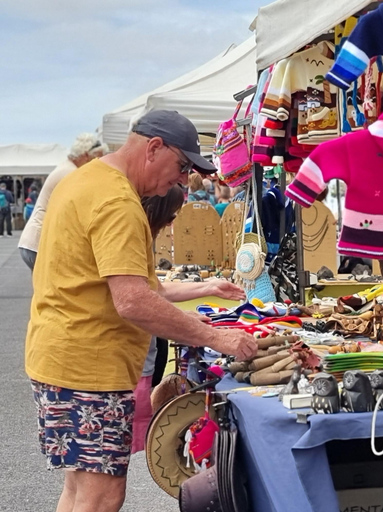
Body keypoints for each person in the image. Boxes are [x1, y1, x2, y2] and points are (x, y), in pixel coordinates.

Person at [25, 110, 258, 512]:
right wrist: (217, 337)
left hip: (59, 358)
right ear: (154, 147)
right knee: (101, 496)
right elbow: (132, 300)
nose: (184, 179)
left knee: (80, 490)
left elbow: (126, 287)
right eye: (182, 165)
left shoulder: (84, 180)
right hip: (89, 369)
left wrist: (192, 310)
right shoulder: (118, 201)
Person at [132, 186, 246, 453]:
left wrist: (210, 288)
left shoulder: (141, 236)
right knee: (108, 476)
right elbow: (138, 301)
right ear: (156, 210)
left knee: (113, 471)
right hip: (128, 363)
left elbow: (155, 291)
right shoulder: (133, 235)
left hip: (136, 360)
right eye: (172, 217)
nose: (173, 224)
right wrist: (204, 331)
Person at [18, 133, 104, 270]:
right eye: (97, 157)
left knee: (44, 288)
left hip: (33, 241)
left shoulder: (66, 168)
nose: (99, 161)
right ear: (86, 155)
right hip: (40, 243)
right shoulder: (71, 174)